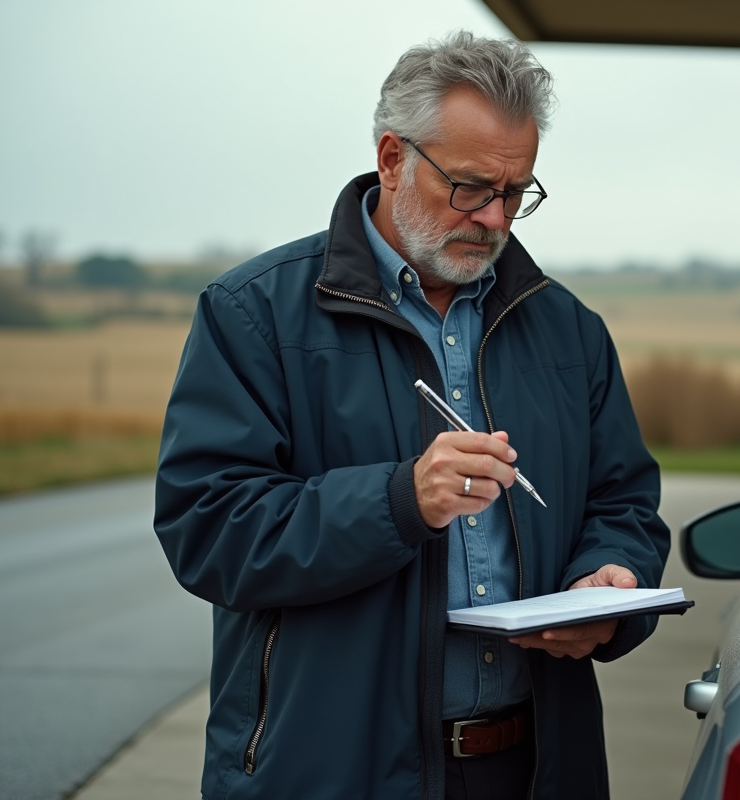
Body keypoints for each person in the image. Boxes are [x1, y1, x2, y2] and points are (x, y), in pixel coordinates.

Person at [154, 32, 669, 800]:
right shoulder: (252, 314)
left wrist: (613, 582)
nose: (496, 219)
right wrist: (400, 501)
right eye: (470, 188)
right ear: (392, 158)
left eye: (517, 192)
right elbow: (208, 530)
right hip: (332, 770)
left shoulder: (568, 329)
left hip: (535, 767)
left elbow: (623, 503)